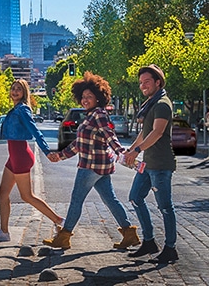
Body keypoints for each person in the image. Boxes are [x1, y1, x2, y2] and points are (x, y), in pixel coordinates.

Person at [44, 72, 139, 251]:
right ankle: (129, 233)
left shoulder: (99, 115)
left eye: (90, 96)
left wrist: (122, 151)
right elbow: (79, 144)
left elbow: (109, 135)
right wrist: (61, 156)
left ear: (98, 98)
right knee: (110, 199)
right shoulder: (90, 116)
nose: (85, 99)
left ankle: (64, 237)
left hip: (91, 166)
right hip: (101, 166)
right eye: (83, 96)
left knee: (76, 200)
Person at [0, 79, 64, 243]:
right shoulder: (15, 109)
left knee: (27, 196)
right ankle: (4, 232)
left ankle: (59, 221)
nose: (15, 92)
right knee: (3, 192)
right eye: (13, 89)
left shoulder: (22, 109)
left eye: (18, 90)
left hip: (20, 155)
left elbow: (35, 131)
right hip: (14, 156)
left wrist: (46, 150)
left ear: (24, 93)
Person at [122, 64, 178, 264]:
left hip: (161, 165)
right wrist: (131, 149)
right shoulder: (152, 104)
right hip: (148, 164)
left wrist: (137, 150)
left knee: (165, 207)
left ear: (157, 82)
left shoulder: (162, 104)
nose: (143, 85)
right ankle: (149, 241)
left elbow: (157, 132)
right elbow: (145, 132)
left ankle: (170, 248)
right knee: (135, 198)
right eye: (141, 82)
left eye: (147, 81)